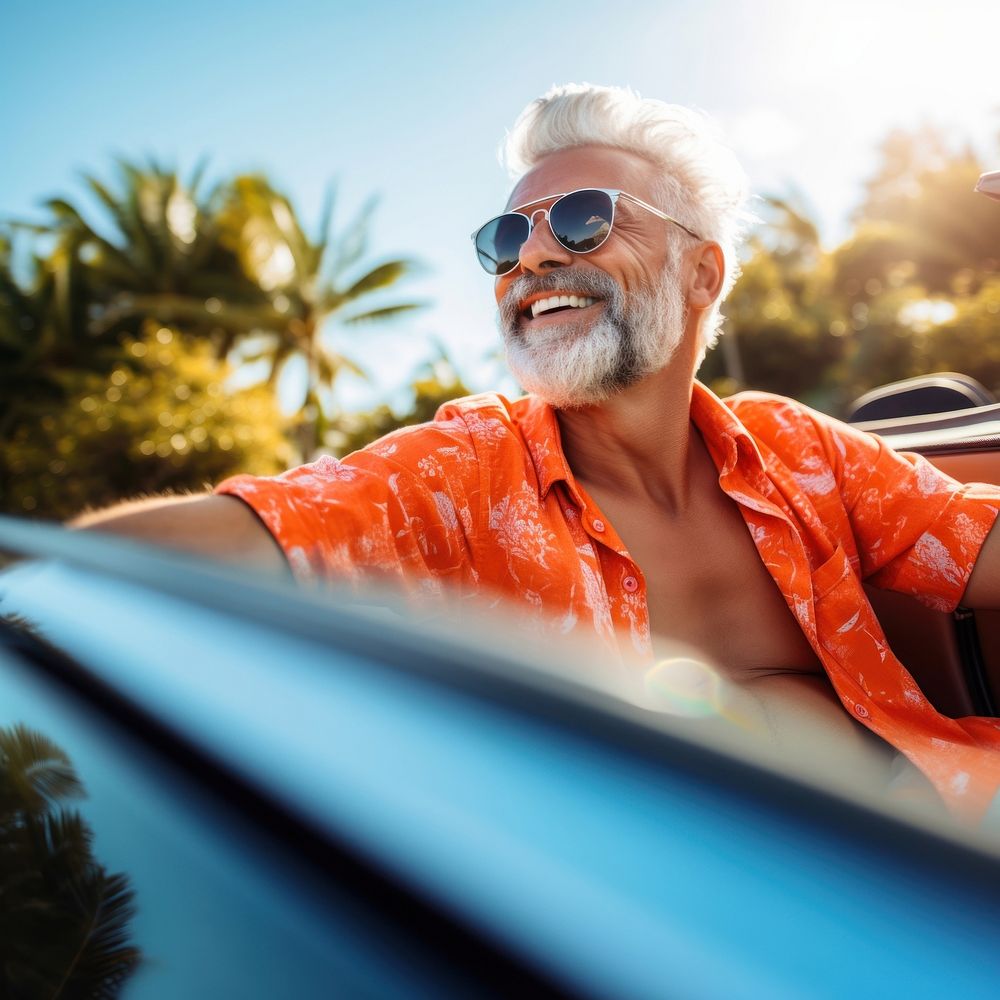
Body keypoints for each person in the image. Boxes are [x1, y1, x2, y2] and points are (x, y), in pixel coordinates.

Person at [75, 84, 1000, 822]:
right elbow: (218, 541)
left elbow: (977, 549)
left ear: (702, 269)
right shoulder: (464, 471)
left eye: (586, 217)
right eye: (506, 237)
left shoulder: (795, 447)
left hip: (936, 838)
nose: (534, 258)